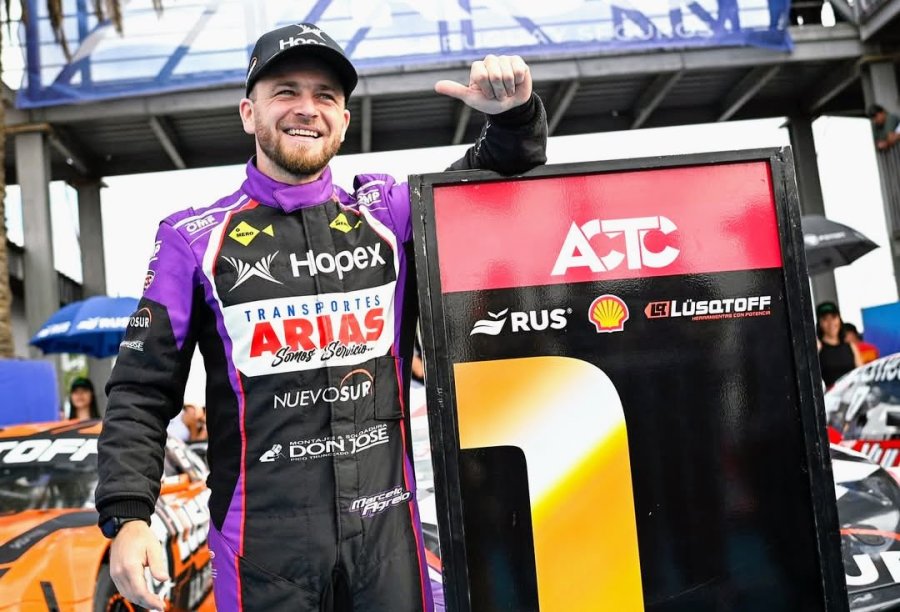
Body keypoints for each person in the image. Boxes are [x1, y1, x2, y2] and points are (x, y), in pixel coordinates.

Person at [95, 21, 547, 612]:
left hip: (388, 537)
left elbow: (495, 176)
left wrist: (511, 115)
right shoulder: (192, 239)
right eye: (286, 91)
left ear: (344, 119)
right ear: (247, 112)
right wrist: (129, 516)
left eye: (325, 96)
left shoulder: (389, 213)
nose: (306, 109)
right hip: (261, 544)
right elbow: (141, 390)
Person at [816, 302, 862, 388]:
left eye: (834, 317)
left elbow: (861, 375)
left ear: (839, 319)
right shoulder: (818, 348)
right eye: (825, 319)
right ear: (820, 323)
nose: (831, 323)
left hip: (853, 396)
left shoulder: (850, 346)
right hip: (831, 399)